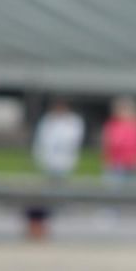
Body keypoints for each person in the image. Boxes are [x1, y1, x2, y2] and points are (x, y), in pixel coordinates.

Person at [27, 99, 85, 240]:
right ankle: (50, 211)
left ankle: (61, 207)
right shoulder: (48, 121)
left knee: (62, 184)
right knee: (48, 186)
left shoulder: (72, 122)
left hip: (64, 160)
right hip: (50, 160)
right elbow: (42, 140)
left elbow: (72, 140)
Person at [101, 97, 136, 182]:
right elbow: (107, 143)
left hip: (133, 163)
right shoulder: (112, 125)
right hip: (116, 163)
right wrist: (107, 160)